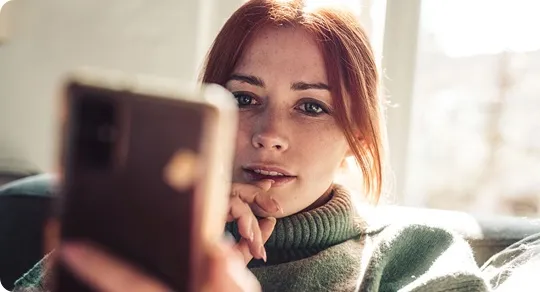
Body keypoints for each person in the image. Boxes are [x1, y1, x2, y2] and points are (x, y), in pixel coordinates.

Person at [14, 0, 530, 291]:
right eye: (244, 97)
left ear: (358, 135)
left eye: (311, 106)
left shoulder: (418, 254)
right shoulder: (132, 235)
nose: (269, 133)